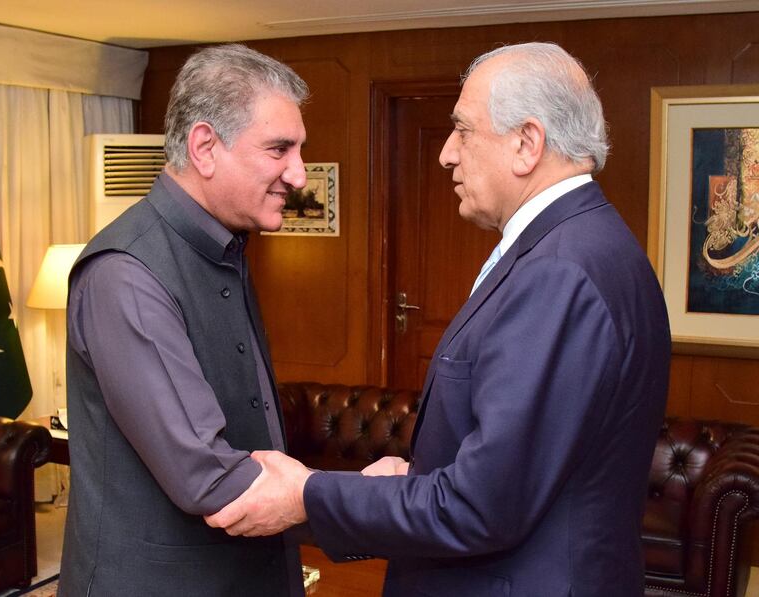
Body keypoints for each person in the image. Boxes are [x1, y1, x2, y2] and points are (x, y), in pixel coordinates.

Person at [205, 42, 671, 597]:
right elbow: (520, 465)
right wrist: (415, 482)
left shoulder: (558, 272)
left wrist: (307, 493)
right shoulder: (588, 244)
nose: (447, 153)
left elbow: (480, 507)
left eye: (463, 130)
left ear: (526, 144)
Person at [58, 44, 308, 596]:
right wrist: (365, 499)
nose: (299, 173)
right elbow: (209, 477)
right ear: (204, 147)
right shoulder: (126, 274)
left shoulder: (226, 246)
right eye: (279, 149)